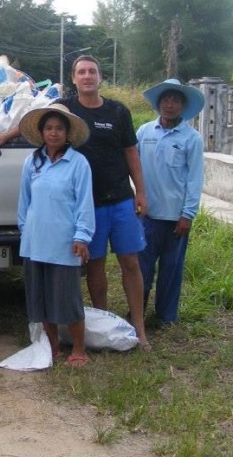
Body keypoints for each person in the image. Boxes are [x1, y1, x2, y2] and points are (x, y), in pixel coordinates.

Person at [60, 55, 151, 350]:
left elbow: (131, 153)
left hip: (121, 199)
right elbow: (36, 124)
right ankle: (105, 326)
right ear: (73, 79)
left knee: (130, 262)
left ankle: (139, 325)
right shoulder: (66, 110)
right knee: (95, 266)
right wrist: (5, 134)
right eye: (81, 72)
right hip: (89, 204)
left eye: (92, 72)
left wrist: (141, 191)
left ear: (100, 77)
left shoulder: (118, 111)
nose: (87, 76)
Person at [17, 103, 95, 367]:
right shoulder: (32, 161)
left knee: (68, 299)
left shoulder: (78, 163)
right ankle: (52, 346)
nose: (53, 133)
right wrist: (25, 233)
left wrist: (82, 236)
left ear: (67, 133)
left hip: (65, 242)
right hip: (35, 241)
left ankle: (79, 348)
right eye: (48, 128)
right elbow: (24, 203)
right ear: (41, 132)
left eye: (59, 128)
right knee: (41, 300)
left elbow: (85, 203)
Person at [136, 79, 205, 324]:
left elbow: (195, 179)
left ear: (183, 106)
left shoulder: (191, 138)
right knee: (142, 268)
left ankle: (165, 317)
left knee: (171, 269)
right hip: (147, 215)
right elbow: (132, 165)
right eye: (166, 99)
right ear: (158, 103)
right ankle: (137, 313)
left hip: (176, 218)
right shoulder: (144, 132)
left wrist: (188, 214)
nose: (169, 104)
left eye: (175, 100)